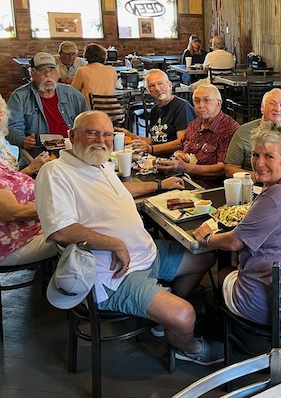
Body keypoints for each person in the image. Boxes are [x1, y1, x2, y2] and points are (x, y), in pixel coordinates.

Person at [35, 111, 221, 365]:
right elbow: (60, 229)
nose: (101, 139)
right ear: (71, 136)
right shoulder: (56, 172)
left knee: (205, 255)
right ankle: (188, 346)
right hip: (113, 275)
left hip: (146, 254)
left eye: (107, 134)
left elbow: (121, 189)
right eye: (92, 132)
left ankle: (160, 313)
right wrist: (114, 243)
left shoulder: (98, 164)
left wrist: (159, 186)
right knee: (184, 316)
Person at [193, 123, 281, 325]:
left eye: (269, 156)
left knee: (224, 272)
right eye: (255, 155)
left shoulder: (273, 198)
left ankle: (220, 328)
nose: (259, 163)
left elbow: (233, 243)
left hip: (277, 307)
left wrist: (207, 238)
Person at [0, 94, 56, 266]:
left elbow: (7, 183)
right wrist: (56, 206)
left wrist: (31, 168)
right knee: (86, 229)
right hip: (14, 242)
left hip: (27, 226)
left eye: (1, 110)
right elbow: (11, 213)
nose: (2, 115)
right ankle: (69, 287)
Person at [7, 52, 87, 152]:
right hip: (40, 151)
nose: (48, 75)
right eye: (42, 71)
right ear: (32, 73)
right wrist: (22, 140)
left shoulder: (73, 94)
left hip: (71, 149)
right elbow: (11, 129)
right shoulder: (20, 97)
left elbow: (86, 122)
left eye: (52, 70)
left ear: (57, 72)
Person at [156, 84, 239, 181]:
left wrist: (185, 167)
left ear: (218, 103)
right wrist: (179, 154)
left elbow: (221, 169)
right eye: (197, 101)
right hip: (183, 179)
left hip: (208, 186)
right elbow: (181, 148)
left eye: (207, 100)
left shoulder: (229, 129)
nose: (201, 106)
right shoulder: (194, 124)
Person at [226, 88, 281, 176]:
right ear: (262, 107)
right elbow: (229, 170)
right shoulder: (243, 132)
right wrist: (258, 177)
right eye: (272, 104)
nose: (277, 108)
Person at [122, 69, 196, 156]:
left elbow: (182, 142)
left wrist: (152, 149)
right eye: (152, 86)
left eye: (160, 83)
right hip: (157, 159)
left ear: (170, 85)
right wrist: (130, 135)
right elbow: (156, 141)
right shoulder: (154, 111)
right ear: (148, 91)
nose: (157, 89)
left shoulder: (182, 106)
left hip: (176, 161)